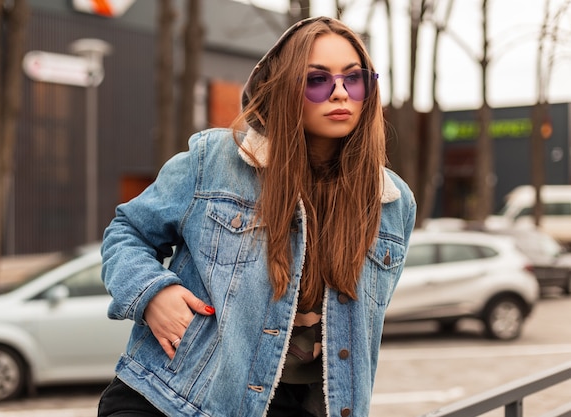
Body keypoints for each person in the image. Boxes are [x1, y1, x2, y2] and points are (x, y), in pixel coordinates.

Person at [98, 15, 416, 417]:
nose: (340, 93)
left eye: (354, 79)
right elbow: (126, 232)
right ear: (285, 87)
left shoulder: (392, 202)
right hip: (172, 398)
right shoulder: (214, 161)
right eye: (316, 79)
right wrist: (152, 293)